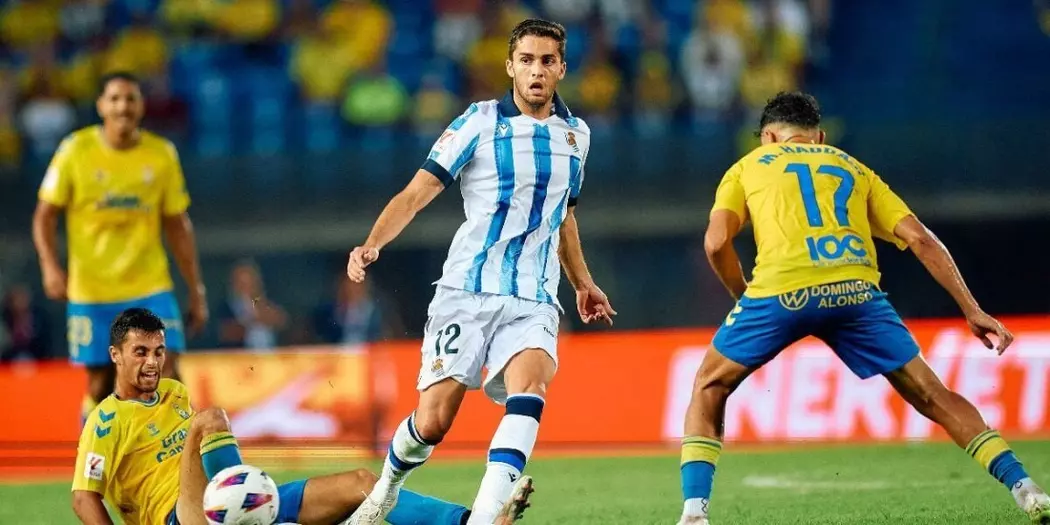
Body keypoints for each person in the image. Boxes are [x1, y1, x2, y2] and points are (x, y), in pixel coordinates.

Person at [677, 91, 1050, 525]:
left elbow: (716, 242)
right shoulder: (853, 167)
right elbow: (920, 239)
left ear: (768, 137)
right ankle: (1027, 489)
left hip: (780, 290)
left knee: (709, 385)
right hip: (856, 294)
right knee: (932, 394)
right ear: (819, 137)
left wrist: (741, 294)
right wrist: (972, 309)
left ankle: (695, 515)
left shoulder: (747, 167)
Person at [345, 18, 615, 525]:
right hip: (467, 289)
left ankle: (487, 516)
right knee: (433, 422)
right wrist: (373, 243)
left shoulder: (577, 136)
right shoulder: (479, 122)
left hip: (534, 296)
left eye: (547, 61)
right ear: (510, 66)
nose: (537, 70)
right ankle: (385, 489)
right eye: (527, 60)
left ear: (562, 68)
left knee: (531, 389)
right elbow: (418, 191)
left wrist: (583, 282)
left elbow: (564, 217)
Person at [71, 308, 532, 525]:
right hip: (180, 519)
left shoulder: (174, 392)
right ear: (115, 355)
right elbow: (83, 498)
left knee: (361, 483)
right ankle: (247, 508)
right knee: (209, 419)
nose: (152, 362)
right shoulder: (105, 422)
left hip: (227, 505)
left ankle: (470, 523)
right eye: (140, 352)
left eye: (158, 351)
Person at [32, 71, 208, 425]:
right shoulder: (75, 151)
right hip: (93, 290)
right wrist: (49, 266)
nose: (123, 106)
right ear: (100, 105)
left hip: (150, 285)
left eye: (131, 98)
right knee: (100, 384)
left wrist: (195, 288)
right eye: (114, 98)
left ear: (141, 106)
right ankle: (92, 454)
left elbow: (178, 225)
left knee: (168, 372)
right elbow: (44, 215)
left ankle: (176, 456)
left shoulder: (161, 154)